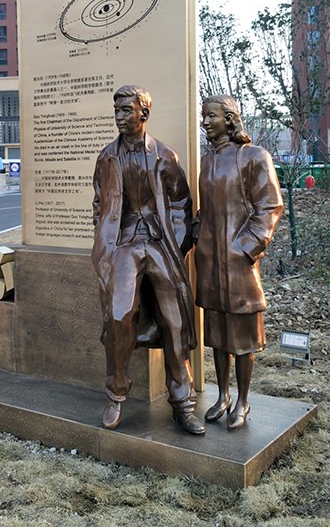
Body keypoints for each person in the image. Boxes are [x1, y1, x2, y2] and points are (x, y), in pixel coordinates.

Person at [92, 85, 205, 435]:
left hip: (160, 242)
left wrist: (177, 243)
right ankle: (116, 393)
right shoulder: (106, 157)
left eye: (126, 110)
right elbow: (99, 203)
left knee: (175, 319)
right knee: (119, 314)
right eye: (117, 110)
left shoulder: (165, 155)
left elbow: (181, 202)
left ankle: (183, 403)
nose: (119, 117)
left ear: (144, 113)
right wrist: (106, 239)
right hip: (124, 243)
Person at [194, 95, 283, 430]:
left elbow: (270, 207)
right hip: (211, 263)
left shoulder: (255, 157)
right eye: (204, 116)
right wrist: (196, 236)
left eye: (211, 116)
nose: (205, 122)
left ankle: (243, 401)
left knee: (243, 337)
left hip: (240, 264)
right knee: (218, 334)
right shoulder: (207, 161)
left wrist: (245, 249)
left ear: (229, 119)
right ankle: (223, 396)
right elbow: (206, 210)